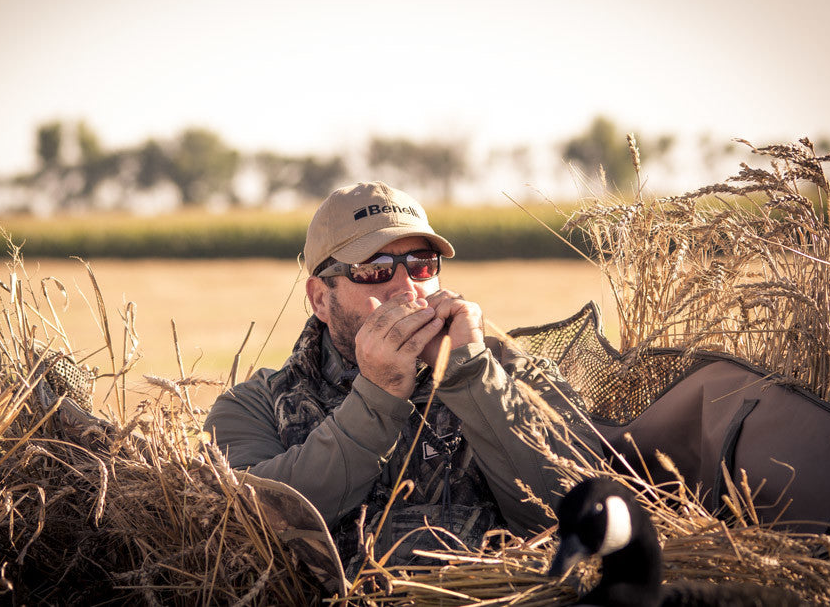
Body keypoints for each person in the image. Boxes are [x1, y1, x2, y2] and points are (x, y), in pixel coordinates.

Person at [205, 181, 603, 575]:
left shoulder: (512, 373)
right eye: (375, 269)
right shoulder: (252, 406)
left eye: (422, 264)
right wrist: (377, 397)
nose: (407, 286)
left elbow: (575, 509)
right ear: (321, 299)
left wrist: (468, 375)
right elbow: (252, 526)